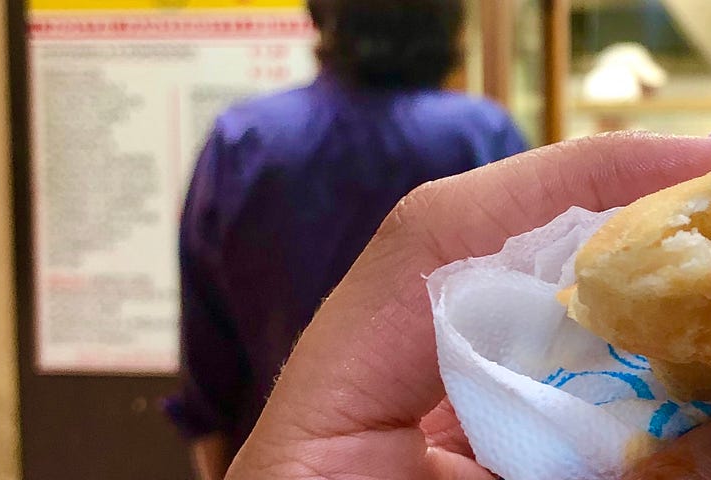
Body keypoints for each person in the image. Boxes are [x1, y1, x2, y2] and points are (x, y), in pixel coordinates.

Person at [220, 128, 711, 479]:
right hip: (445, 421)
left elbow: (208, 316)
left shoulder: (243, 136)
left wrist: (216, 437)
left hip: (315, 410)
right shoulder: (479, 127)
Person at [164, 0, 528, 477]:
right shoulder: (484, 139)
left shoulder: (244, 140)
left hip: (284, 462)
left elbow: (208, 355)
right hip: (452, 465)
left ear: (320, 16)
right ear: (452, 25)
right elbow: (528, 343)